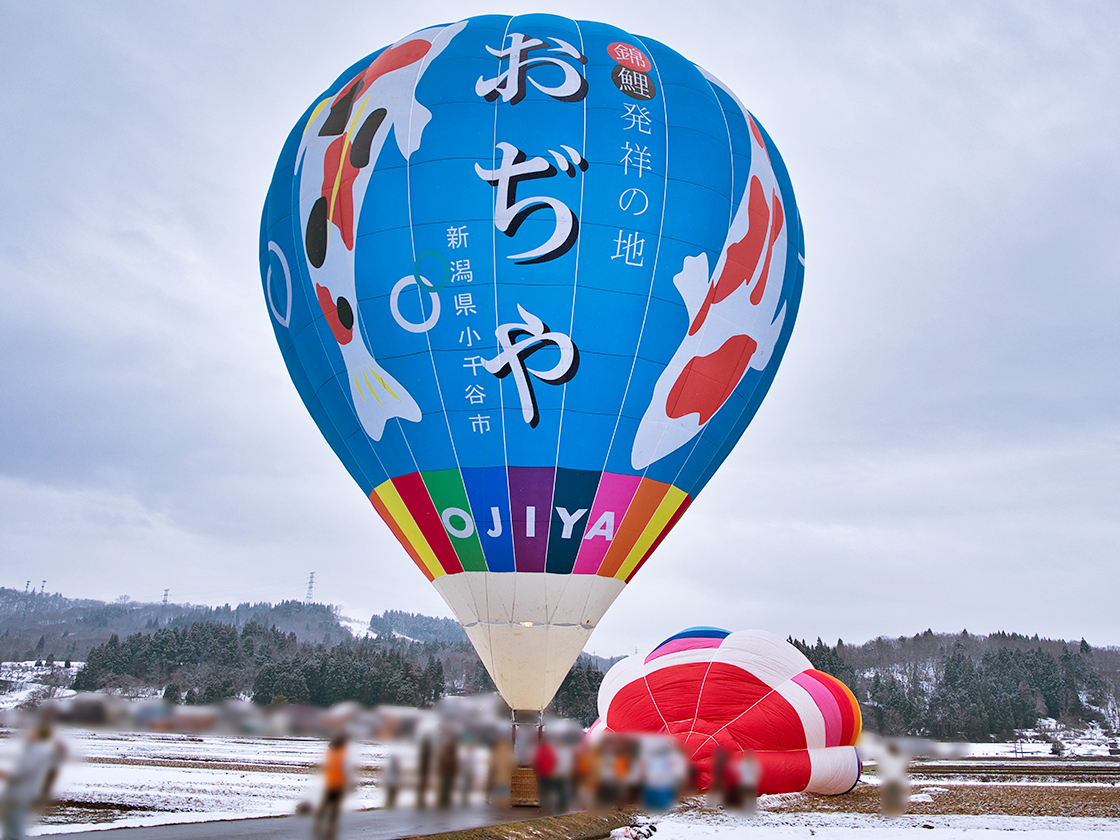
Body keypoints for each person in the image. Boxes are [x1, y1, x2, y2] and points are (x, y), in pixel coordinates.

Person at [1, 724, 66, 840]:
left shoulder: (37, 750)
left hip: (19, 794)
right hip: (18, 793)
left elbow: (26, 771)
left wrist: (7, 775)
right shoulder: (33, 750)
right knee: (11, 828)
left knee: (14, 830)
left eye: (32, 731)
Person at [314, 735, 351, 840]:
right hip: (339, 783)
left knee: (326, 803)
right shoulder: (342, 754)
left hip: (330, 782)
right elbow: (345, 769)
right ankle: (331, 825)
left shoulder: (329, 753)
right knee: (335, 806)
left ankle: (319, 821)